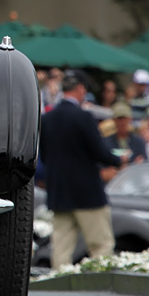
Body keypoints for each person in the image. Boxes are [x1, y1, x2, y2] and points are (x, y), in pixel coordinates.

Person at [39, 69, 125, 269]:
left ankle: (59, 285)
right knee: (101, 244)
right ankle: (99, 284)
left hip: (59, 192)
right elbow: (100, 152)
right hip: (87, 194)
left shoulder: (47, 119)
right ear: (80, 89)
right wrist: (119, 160)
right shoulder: (84, 117)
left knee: (61, 246)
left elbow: (43, 156)